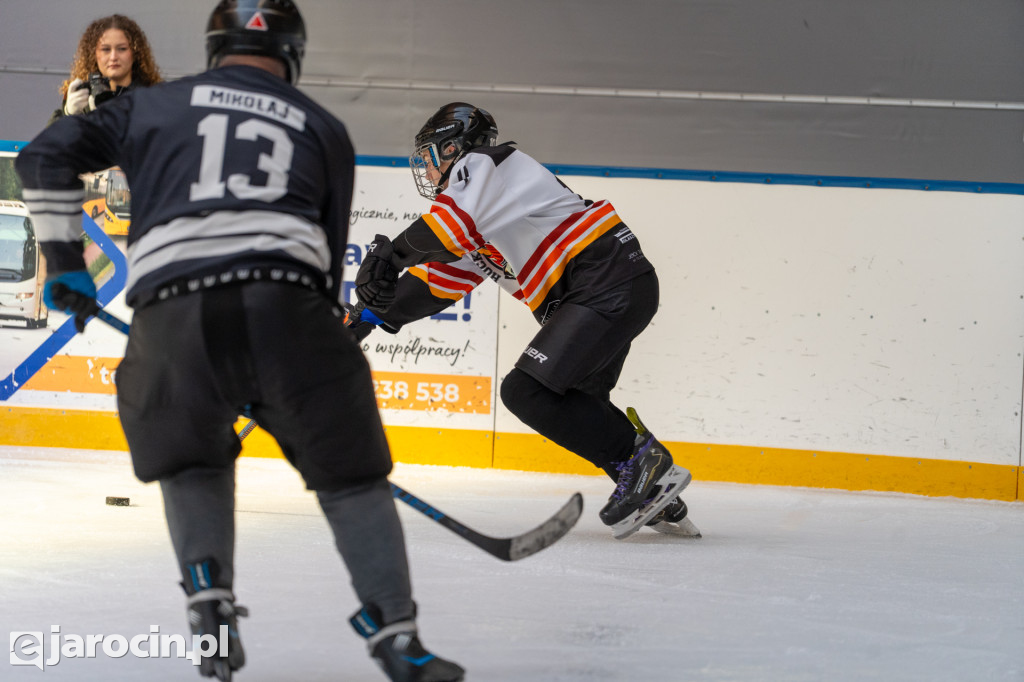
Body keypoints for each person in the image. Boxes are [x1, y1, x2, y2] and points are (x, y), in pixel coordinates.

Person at [17, 2, 464, 681]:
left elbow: (45, 156)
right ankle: (398, 636)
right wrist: (289, 367)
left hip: (173, 317)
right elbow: (321, 260)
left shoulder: (155, 104)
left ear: (214, 46)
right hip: (288, 307)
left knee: (192, 456)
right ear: (291, 56)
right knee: (350, 479)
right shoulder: (323, 127)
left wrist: (67, 263)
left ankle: (210, 608)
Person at [350, 103, 700, 540]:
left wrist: (390, 254)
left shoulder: (483, 164)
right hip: (609, 284)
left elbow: (446, 229)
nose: (426, 168)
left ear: (453, 146)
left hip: (604, 280)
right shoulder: (484, 211)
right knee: (573, 399)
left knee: (526, 390)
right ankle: (654, 493)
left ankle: (645, 466)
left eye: (429, 156)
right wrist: (364, 316)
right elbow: (439, 281)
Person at [49, 14, 163, 124]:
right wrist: (67, 115)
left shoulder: (154, 96)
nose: (113, 57)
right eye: (105, 49)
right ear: (93, 55)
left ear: (135, 53)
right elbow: (50, 141)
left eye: (122, 49)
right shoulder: (82, 96)